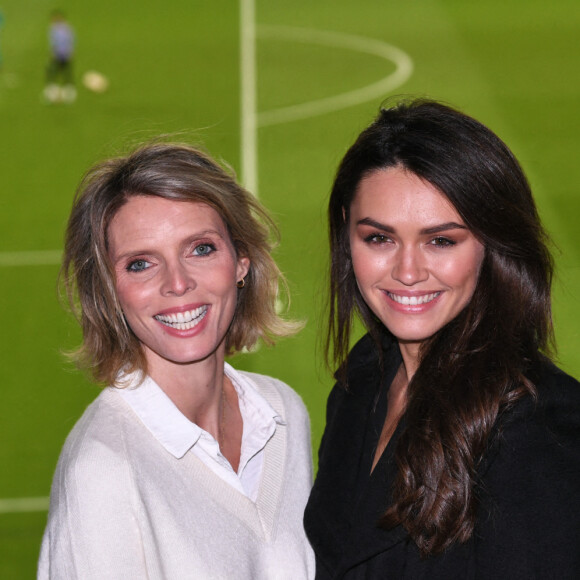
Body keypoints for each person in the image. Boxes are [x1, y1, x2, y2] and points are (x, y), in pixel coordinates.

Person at [304, 99, 580, 579]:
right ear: (347, 233)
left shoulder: (544, 430)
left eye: (441, 241)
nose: (407, 272)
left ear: (493, 246)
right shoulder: (363, 377)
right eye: (379, 238)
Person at [38, 142, 315, 579]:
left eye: (200, 249)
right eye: (141, 263)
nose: (178, 283)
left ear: (241, 262)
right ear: (110, 291)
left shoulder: (283, 415)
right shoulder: (103, 470)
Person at [44, 10, 75, 103]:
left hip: (64, 53)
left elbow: (70, 40)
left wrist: (70, 52)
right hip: (57, 53)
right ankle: (54, 91)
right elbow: (52, 42)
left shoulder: (66, 28)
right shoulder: (53, 28)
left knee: (66, 73)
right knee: (53, 72)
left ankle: (68, 92)